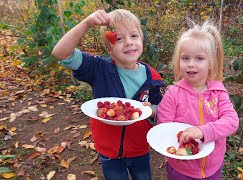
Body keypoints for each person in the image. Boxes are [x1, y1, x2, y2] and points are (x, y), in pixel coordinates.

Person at [52, 9, 165, 180]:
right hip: (109, 152)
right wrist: (86, 23)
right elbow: (61, 53)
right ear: (109, 49)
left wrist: (153, 110)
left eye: (134, 36)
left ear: (141, 40)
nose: (128, 42)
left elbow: (161, 110)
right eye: (118, 38)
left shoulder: (153, 77)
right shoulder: (98, 69)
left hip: (140, 149)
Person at [157, 20, 239, 180]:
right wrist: (180, 141)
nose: (191, 64)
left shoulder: (218, 92)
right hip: (181, 168)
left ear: (211, 64)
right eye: (185, 58)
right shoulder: (173, 94)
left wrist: (202, 131)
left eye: (199, 58)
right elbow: (165, 129)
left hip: (212, 167)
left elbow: (232, 121)